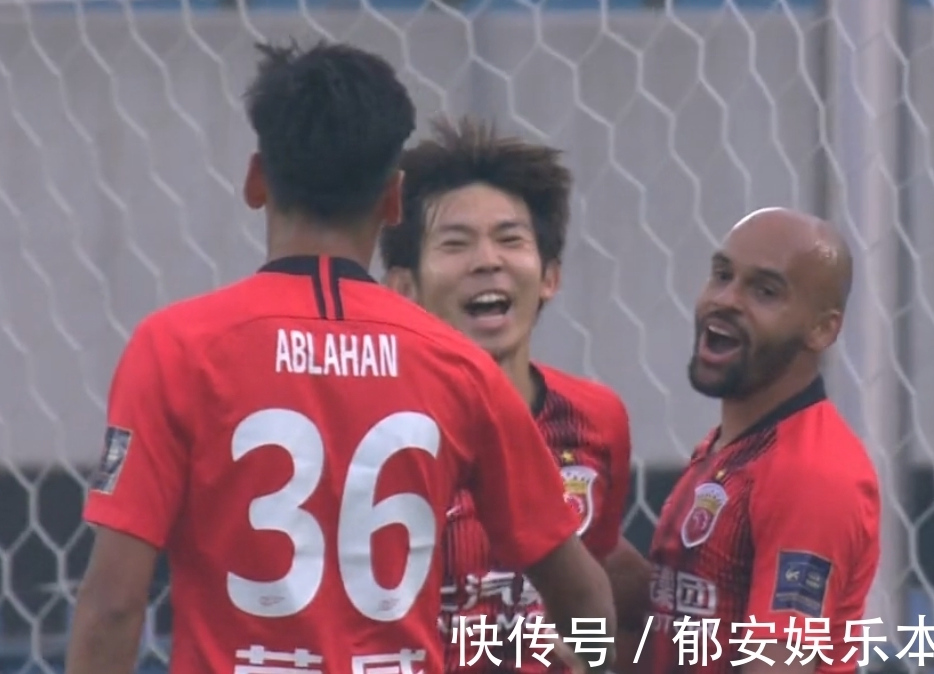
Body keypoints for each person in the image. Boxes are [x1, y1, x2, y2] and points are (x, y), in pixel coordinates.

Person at [64, 42, 616, 674]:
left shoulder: (178, 348)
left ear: (255, 180)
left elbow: (114, 605)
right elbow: (586, 596)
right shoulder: (458, 367)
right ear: (394, 199)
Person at [380, 117, 652, 674]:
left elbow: (601, 588)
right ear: (404, 289)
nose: (488, 260)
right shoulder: (377, 430)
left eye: (510, 239)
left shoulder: (597, 420)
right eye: (456, 243)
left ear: (550, 276)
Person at [639, 207, 881, 674]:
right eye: (722, 275)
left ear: (822, 329)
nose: (725, 299)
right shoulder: (730, 449)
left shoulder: (811, 474)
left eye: (764, 291)